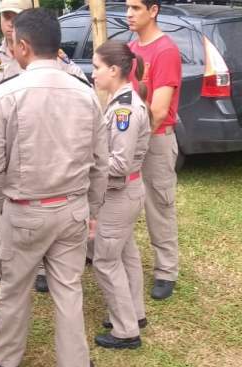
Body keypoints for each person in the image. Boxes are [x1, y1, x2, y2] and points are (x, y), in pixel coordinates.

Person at [0, 8, 108, 367]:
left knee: (15, 287)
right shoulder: (85, 93)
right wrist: (92, 210)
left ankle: (7, 356)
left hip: (25, 210)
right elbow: (101, 163)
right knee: (68, 288)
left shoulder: (8, 94)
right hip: (72, 209)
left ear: (23, 47)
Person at [0, 0, 87, 293]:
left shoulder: (55, 58)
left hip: (41, 151)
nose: (9, 22)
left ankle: (46, 267)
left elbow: (82, 95)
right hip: (1, 148)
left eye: (15, 16)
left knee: (38, 211)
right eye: (5, 17)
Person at [90, 40, 150, 350]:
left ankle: (125, 330)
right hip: (126, 193)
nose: (93, 73)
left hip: (119, 193)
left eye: (97, 67)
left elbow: (119, 163)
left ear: (114, 70)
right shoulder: (120, 101)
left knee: (105, 259)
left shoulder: (124, 109)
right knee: (126, 254)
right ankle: (133, 313)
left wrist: (87, 164)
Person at [126, 0, 182, 301]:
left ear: (154, 10)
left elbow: (159, 110)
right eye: (127, 7)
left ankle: (166, 270)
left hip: (156, 138)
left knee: (158, 204)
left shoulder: (166, 51)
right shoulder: (132, 49)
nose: (129, 14)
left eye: (136, 7)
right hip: (132, 136)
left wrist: (130, 133)